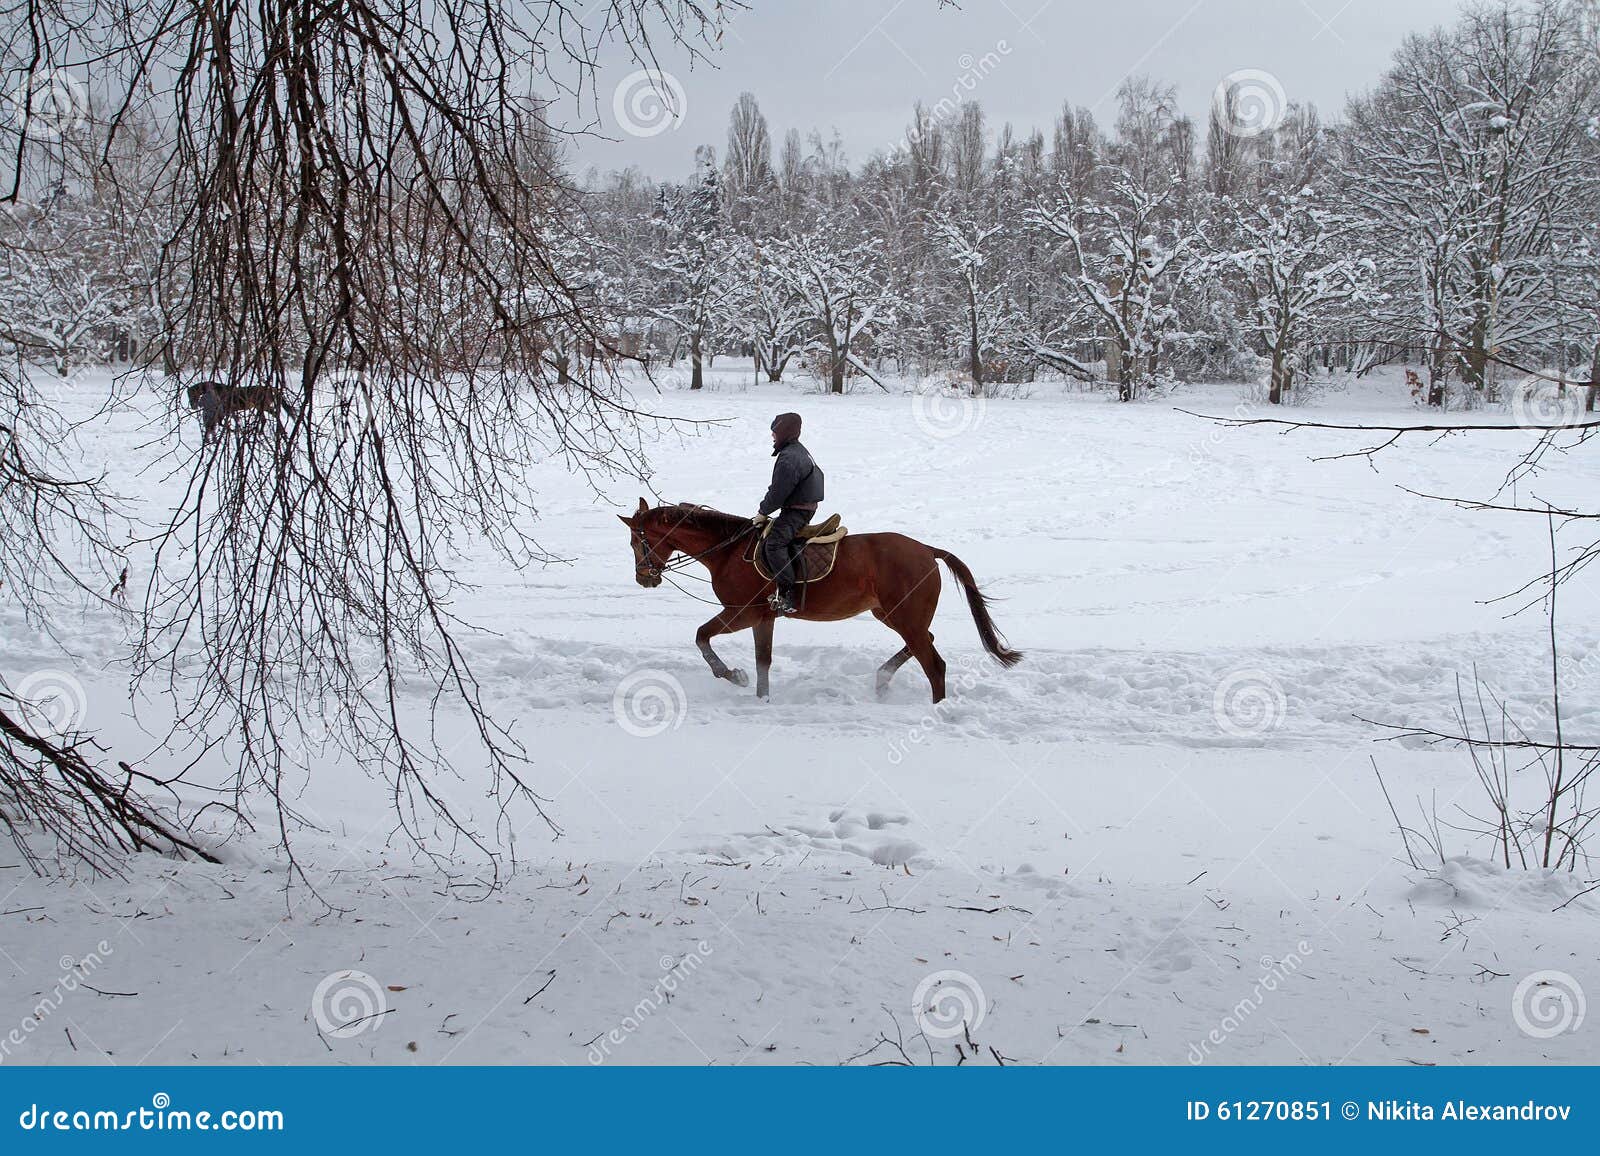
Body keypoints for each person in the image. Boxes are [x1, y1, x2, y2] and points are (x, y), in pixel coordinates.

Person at [756, 412, 824, 615]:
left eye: (775, 432)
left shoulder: (789, 458)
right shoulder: (797, 451)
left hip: (797, 511)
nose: (772, 436)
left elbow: (778, 492)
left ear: (784, 432)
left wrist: (762, 512)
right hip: (801, 507)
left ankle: (788, 594)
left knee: (775, 543)